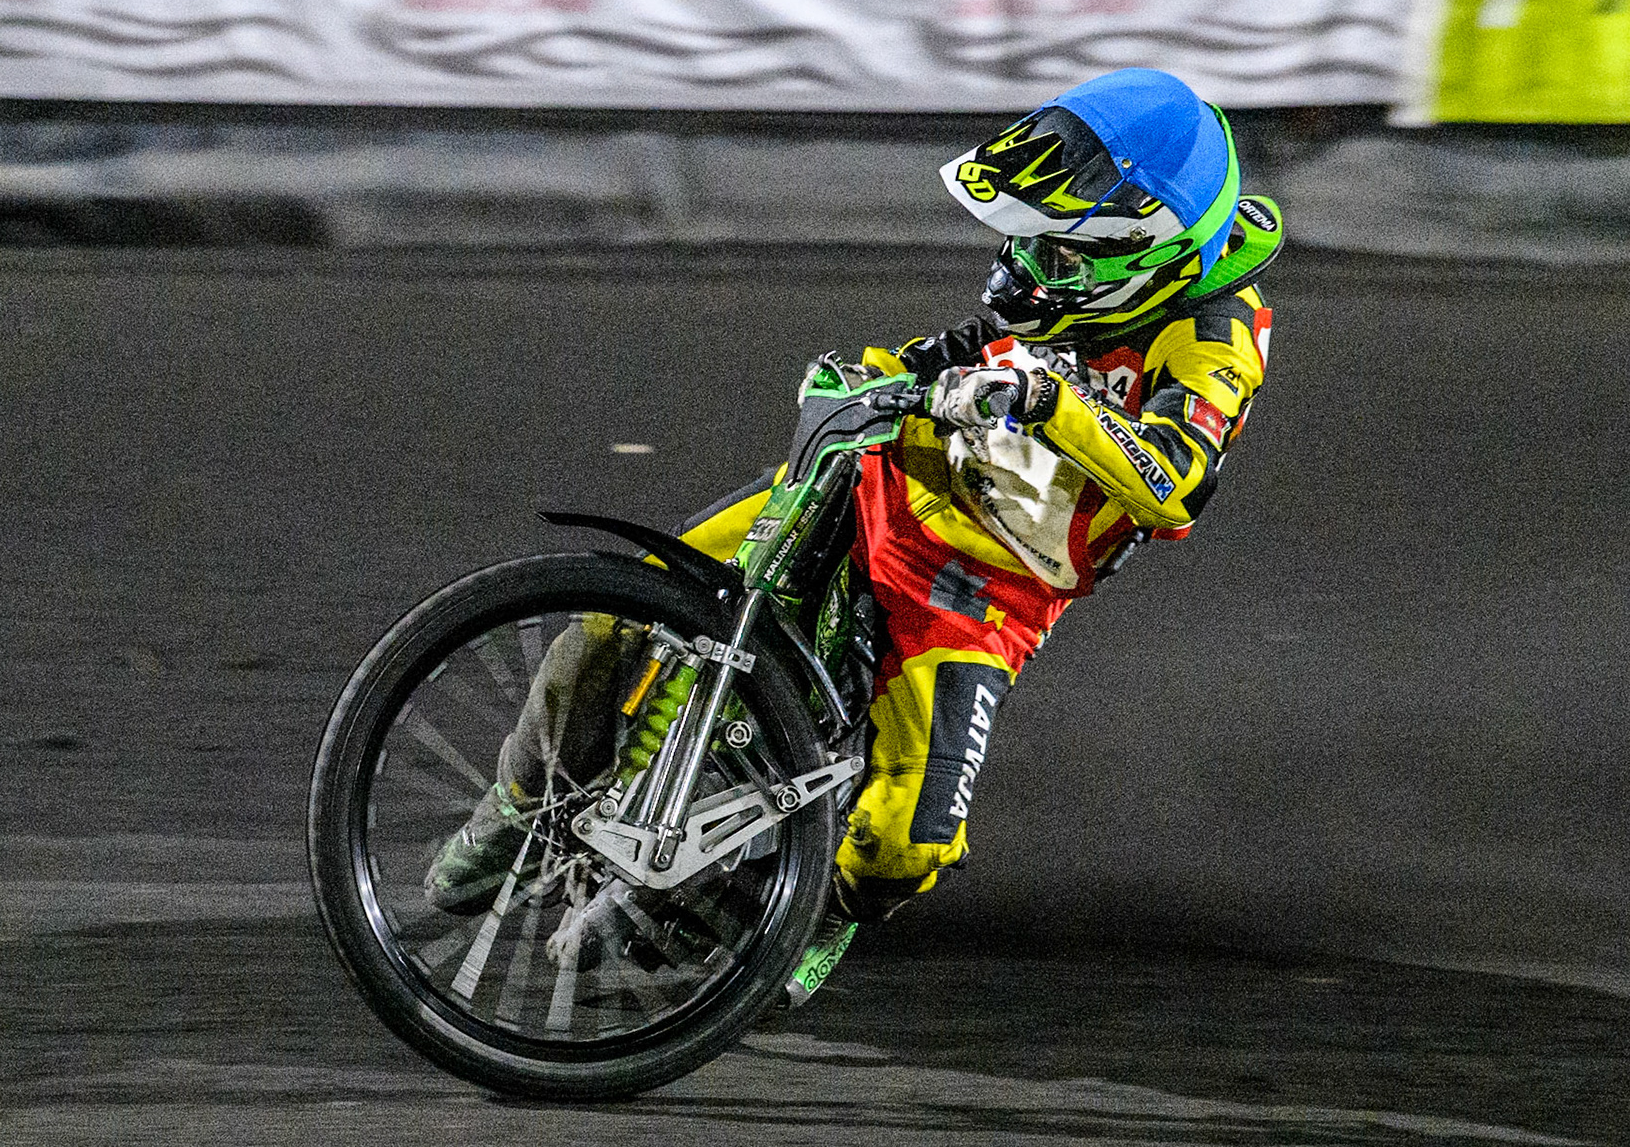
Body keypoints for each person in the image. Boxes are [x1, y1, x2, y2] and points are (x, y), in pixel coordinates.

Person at [428, 66, 1282, 1006]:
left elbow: (1177, 482)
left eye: (1060, 256)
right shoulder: (1075, 277)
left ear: (1149, 256)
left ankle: (810, 911)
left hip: (987, 586)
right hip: (890, 477)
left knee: (905, 848)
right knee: (614, 617)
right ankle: (516, 807)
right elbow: (975, 342)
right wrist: (886, 373)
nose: (1028, 271)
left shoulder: (1216, 333)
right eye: (1026, 244)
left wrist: (1048, 401)